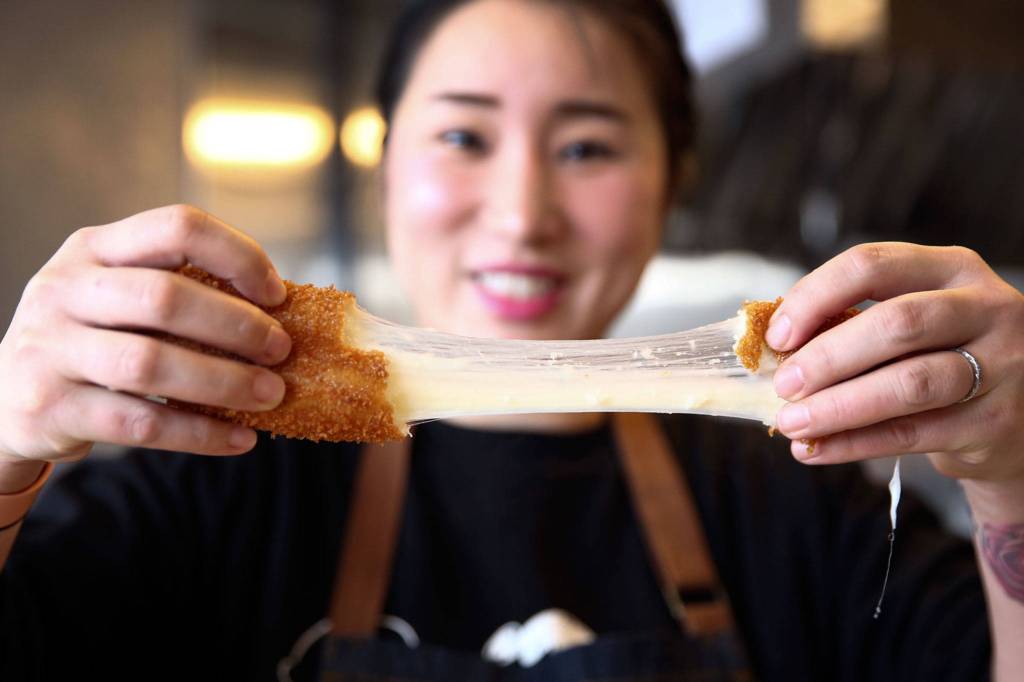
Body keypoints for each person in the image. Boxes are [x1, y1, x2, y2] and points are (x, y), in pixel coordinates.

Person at [1, 0, 1022, 679]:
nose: (522, 212)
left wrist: (1011, 474)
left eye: (586, 145)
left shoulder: (793, 497)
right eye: (462, 135)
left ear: (672, 180)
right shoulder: (222, 475)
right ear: (387, 159)